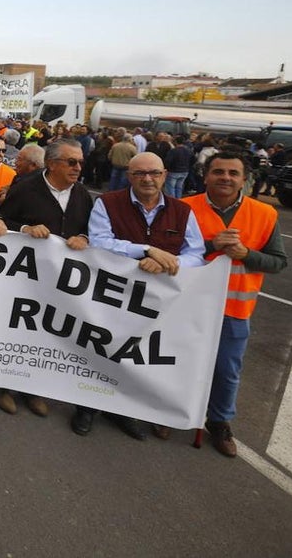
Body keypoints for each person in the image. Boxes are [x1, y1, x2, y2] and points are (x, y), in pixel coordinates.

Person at [82, 151, 206, 440]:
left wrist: (167, 263)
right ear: (129, 176)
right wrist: (145, 250)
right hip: (111, 295)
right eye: (140, 174)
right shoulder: (108, 203)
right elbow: (100, 242)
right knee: (99, 348)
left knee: (135, 355)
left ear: (164, 175)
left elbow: (196, 254)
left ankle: (121, 409)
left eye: (154, 173)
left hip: (157, 302)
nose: (147, 179)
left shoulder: (182, 210)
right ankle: (86, 407)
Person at [183, 151, 287, 457]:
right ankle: (172, 412)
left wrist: (245, 254)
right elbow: (168, 252)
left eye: (233, 173)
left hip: (235, 310)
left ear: (245, 179)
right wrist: (213, 245)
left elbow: (278, 262)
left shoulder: (265, 214)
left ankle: (219, 422)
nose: (225, 178)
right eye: (218, 172)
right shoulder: (185, 208)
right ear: (206, 176)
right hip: (188, 307)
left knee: (227, 370)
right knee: (181, 363)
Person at [0, 139, 93, 418]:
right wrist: (25, 227)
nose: (77, 167)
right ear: (52, 164)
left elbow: (89, 229)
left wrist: (83, 238)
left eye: (80, 162)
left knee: (46, 332)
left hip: (59, 282)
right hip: (23, 276)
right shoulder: (26, 188)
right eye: (71, 162)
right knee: (15, 329)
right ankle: (2, 385)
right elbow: (2, 219)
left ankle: (33, 388)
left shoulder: (82, 194)